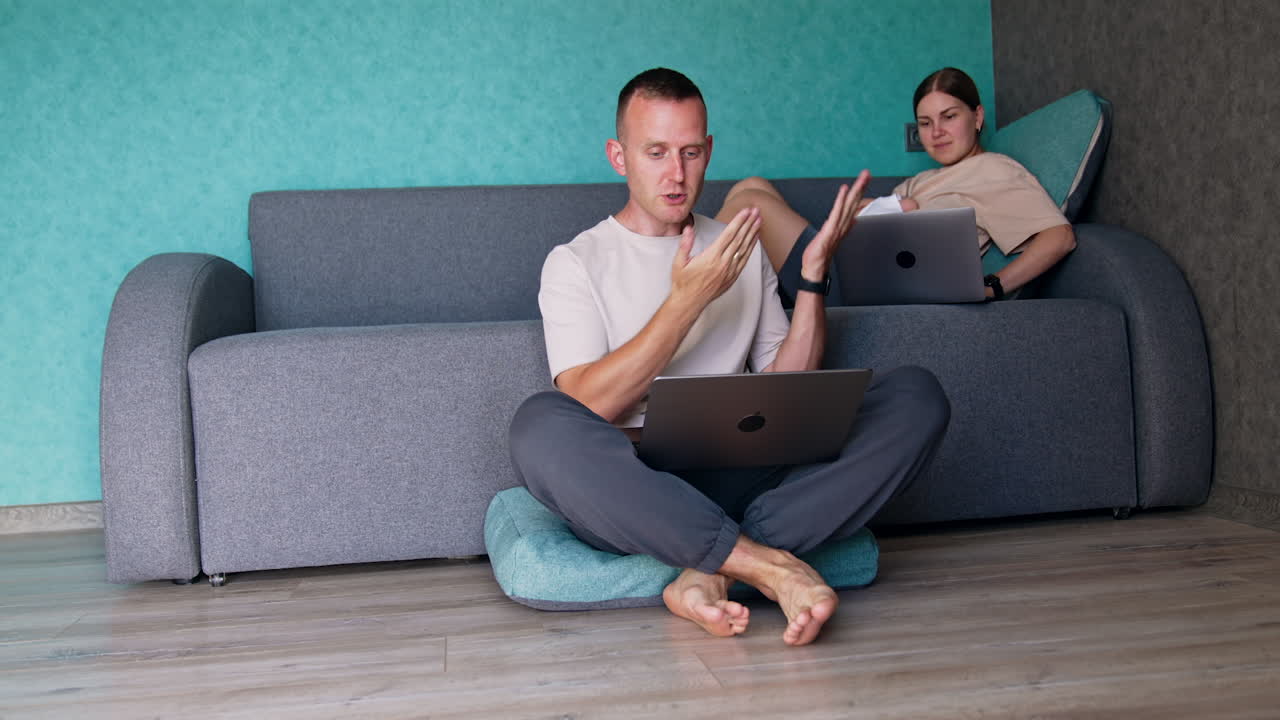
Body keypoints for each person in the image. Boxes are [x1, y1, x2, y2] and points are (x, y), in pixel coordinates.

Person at [508, 68, 950, 647]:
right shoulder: (575, 262)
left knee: (917, 395)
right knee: (538, 425)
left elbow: (789, 387)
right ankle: (768, 565)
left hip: (749, 474)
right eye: (656, 153)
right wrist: (686, 302)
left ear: (709, 151)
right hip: (643, 490)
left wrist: (812, 278)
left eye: (691, 152)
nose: (676, 173)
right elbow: (589, 405)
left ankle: (711, 567)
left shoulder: (739, 245)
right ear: (619, 157)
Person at [719, 67, 1076, 306]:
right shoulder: (923, 180)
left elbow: (1059, 237)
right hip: (844, 264)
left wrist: (993, 285)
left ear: (977, 117)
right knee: (752, 184)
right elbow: (868, 215)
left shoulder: (993, 169)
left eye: (949, 117)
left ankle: (689, 297)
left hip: (861, 289)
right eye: (926, 122)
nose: (937, 132)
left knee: (751, 203)